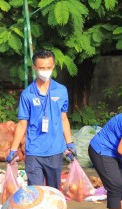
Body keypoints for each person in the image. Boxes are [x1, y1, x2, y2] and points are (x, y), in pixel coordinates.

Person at [7, 50, 76, 189]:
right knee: (35, 193)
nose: (45, 71)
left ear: (53, 66)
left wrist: (70, 144)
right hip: (34, 151)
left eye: (49, 68)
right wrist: (13, 149)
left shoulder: (61, 91)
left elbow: (63, 119)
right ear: (34, 67)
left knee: (53, 192)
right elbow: (22, 124)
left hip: (55, 150)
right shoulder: (27, 94)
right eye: (41, 68)